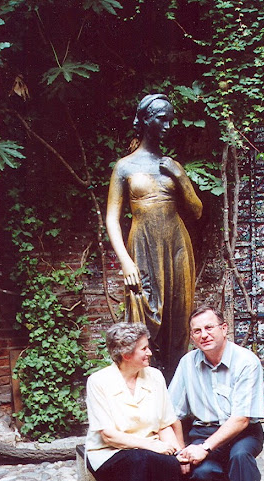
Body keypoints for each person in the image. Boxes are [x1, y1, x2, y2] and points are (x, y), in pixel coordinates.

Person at [106, 93, 202, 382]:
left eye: (170, 119)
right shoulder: (124, 167)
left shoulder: (172, 165)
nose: (167, 125)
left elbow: (196, 210)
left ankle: (176, 388)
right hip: (142, 245)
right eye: (162, 119)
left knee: (179, 317)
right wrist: (126, 262)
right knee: (144, 315)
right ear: (145, 120)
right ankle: (143, 384)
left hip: (176, 245)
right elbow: (112, 219)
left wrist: (181, 177)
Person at [168, 305, 264, 481]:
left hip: (241, 432)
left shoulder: (246, 361)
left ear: (224, 329)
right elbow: (172, 413)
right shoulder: (187, 364)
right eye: (197, 331)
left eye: (209, 327)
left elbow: (241, 419)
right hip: (203, 430)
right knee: (203, 474)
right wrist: (180, 451)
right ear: (192, 337)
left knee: (240, 457)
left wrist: (204, 448)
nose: (203, 335)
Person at [85, 322, 188, 481]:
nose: (149, 352)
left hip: (148, 449)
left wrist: (178, 453)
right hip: (109, 453)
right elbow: (109, 435)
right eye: (144, 348)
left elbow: (165, 423)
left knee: (166, 462)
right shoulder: (99, 382)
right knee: (140, 460)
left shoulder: (154, 377)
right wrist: (152, 447)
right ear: (126, 354)